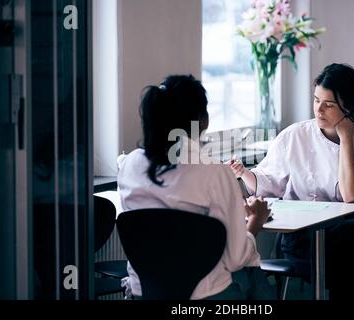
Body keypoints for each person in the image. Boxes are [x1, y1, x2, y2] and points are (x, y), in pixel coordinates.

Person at [228, 63, 354, 300]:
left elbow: (350, 196)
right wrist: (244, 173)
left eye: (328, 104)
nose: (319, 110)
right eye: (316, 100)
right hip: (302, 233)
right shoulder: (294, 135)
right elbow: (270, 182)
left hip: (350, 231)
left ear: (348, 107)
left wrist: (347, 138)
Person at [117, 74, 274, 300]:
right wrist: (255, 222)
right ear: (203, 121)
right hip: (206, 295)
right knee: (253, 274)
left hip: (144, 292)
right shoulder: (213, 173)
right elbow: (236, 259)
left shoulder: (129, 164)